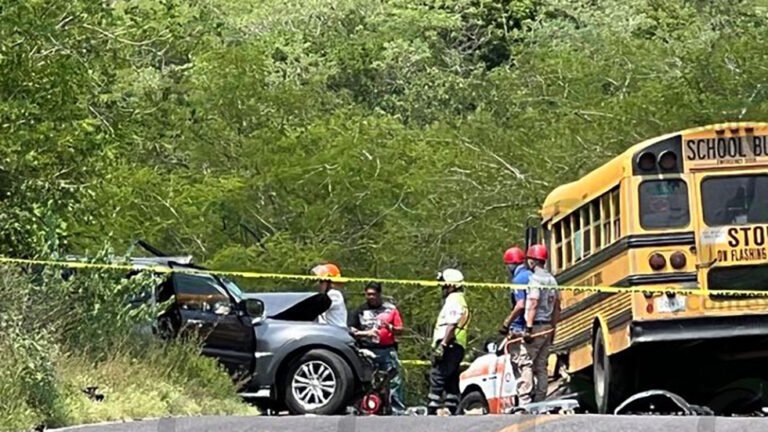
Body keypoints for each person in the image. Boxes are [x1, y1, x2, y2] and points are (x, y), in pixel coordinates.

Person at [348, 282, 406, 414]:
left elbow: (400, 330)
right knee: (366, 381)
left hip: (387, 350)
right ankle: (364, 407)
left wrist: (390, 328)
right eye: (368, 294)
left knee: (394, 380)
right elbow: (351, 330)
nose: (371, 297)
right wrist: (365, 334)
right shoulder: (360, 310)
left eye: (373, 294)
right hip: (366, 350)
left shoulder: (390, 309)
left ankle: (397, 409)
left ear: (379, 294)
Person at [427, 268, 470, 416]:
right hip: (456, 345)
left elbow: (451, 324)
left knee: (437, 374)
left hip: (450, 344)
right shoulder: (459, 300)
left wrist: (443, 345)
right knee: (451, 377)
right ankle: (452, 406)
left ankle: (433, 406)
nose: (442, 288)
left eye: (444, 285)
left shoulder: (454, 300)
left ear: (451, 285)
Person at [521, 244, 561, 403]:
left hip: (536, 325)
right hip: (548, 326)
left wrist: (528, 328)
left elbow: (533, 302)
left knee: (526, 363)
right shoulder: (552, 280)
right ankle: (540, 398)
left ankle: (525, 399)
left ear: (532, 261)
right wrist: (553, 328)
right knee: (541, 365)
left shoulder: (534, 279)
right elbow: (557, 307)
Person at [499, 246, 537, 407]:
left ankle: (524, 400)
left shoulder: (518, 280)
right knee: (534, 364)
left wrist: (507, 322)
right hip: (534, 326)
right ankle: (534, 396)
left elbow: (520, 304)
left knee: (522, 364)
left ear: (511, 264)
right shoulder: (533, 276)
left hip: (519, 327)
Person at [310, 263, 348, 328]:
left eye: (321, 281)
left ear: (329, 282)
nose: (319, 284)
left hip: (337, 333)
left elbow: (316, 308)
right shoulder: (327, 295)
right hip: (328, 332)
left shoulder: (334, 295)